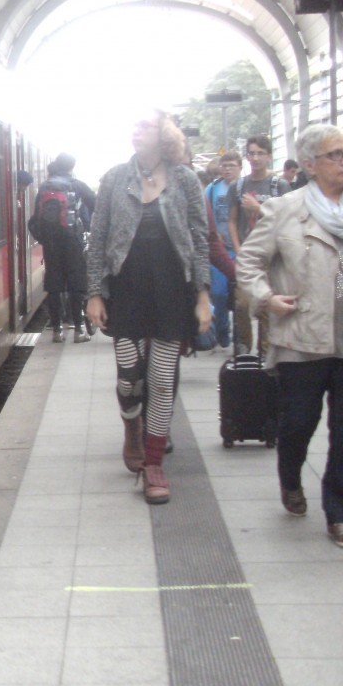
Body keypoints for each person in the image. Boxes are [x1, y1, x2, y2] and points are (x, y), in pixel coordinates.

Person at [85, 110, 211, 505]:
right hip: (127, 291)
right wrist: (94, 293)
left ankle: (153, 464)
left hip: (173, 291)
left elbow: (199, 238)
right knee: (129, 376)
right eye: (134, 124)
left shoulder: (186, 179)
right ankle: (131, 425)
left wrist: (203, 295)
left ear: (164, 135)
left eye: (145, 125)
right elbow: (98, 237)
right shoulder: (114, 178)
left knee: (161, 380)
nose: (136, 130)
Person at [236, 123, 343, 547]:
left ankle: (337, 510)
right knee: (298, 423)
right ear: (311, 164)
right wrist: (266, 298)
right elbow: (249, 262)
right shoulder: (284, 209)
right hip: (302, 335)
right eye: (336, 155)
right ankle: (291, 478)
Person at [228, 135, 290, 356]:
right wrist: (238, 249)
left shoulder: (280, 186)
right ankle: (244, 348)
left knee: (267, 306)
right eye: (251, 153)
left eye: (260, 153)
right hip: (247, 256)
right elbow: (232, 220)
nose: (255, 158)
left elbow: (287, 220)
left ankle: (265, 355)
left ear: (269, 156)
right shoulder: (238, 186)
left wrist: (258, 208)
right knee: (242, 305)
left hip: (272, 257)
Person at [31, 153, 96, 343]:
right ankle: (78, 330)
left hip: (51, 243)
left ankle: (57, 330)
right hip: (73, 241)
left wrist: (44, 239)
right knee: (77, 285)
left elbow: (35, 218)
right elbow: (96, 205)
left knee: (54, 286)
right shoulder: (77, 185)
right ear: (71, 167)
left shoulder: (45, 187)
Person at [205, 151, 242, 348]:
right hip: (219, 249)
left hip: (242, 249)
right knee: (219, 293)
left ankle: (241, 337)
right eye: (224, 165)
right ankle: (222, 331)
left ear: (240, 168)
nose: (228, 169)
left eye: (232, 165)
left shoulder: (245, 187)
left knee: (241, 298)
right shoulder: (212, 189)